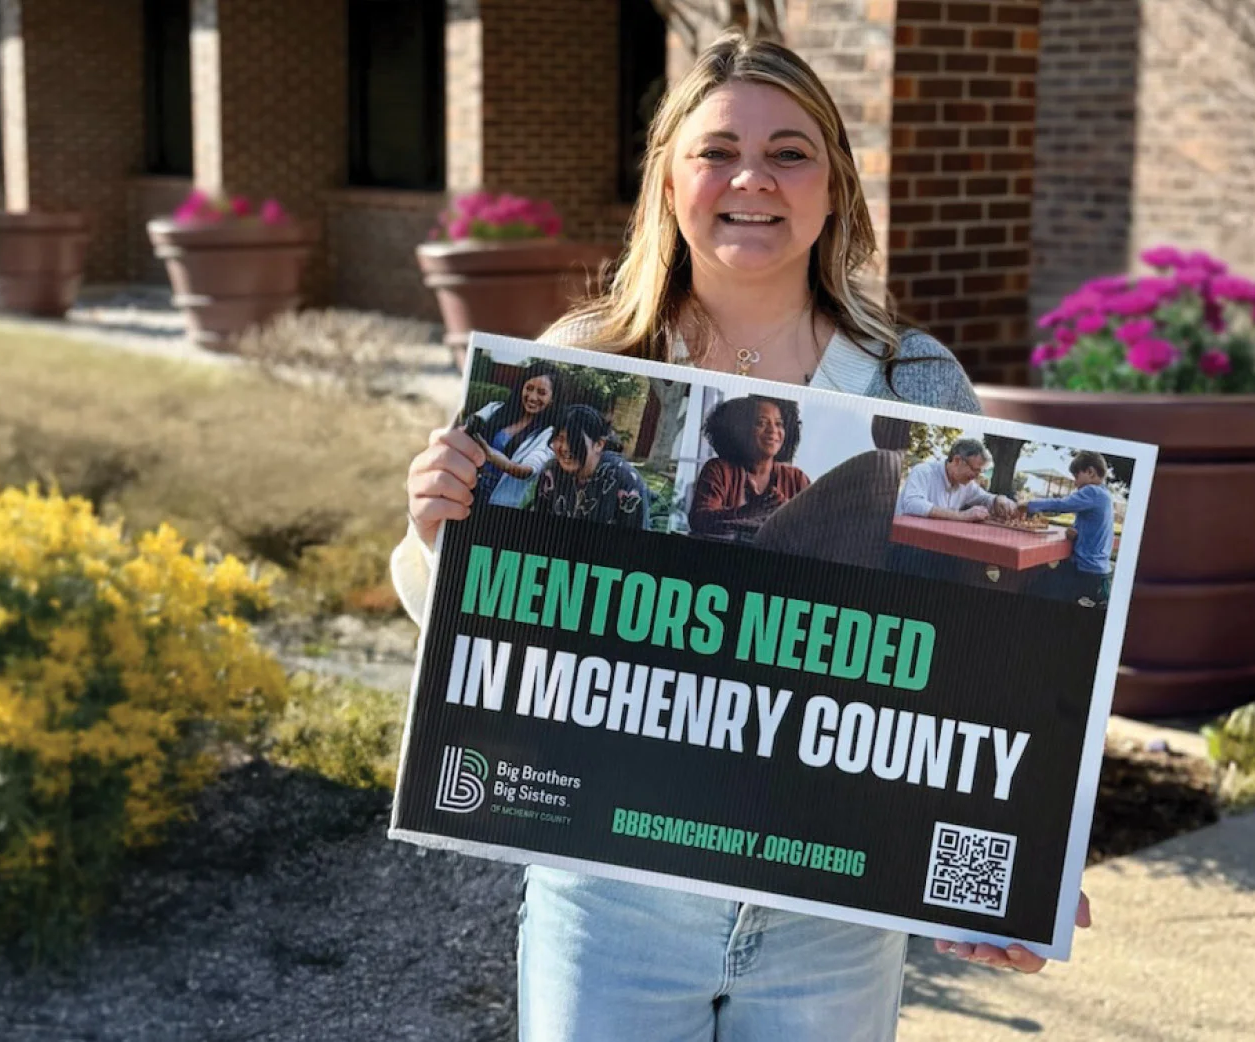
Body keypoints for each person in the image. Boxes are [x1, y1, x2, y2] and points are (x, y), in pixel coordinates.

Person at [394, 32, 1090, 1041]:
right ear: (668, 178)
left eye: (790, 152)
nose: (751, 178)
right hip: (612, 891)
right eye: (716, 150)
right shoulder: (589, 359)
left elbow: (974, 666)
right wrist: (435, 534)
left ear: (834, 187)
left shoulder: (914, 380)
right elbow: (479, 628)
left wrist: (1010, 867)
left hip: (834, 914)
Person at [689, 394, 811, 539]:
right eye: (761, 423)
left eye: (779, 424)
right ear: (742, 429)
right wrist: (750, 512)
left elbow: (817, 527)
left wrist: (787, 512)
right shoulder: (718, 469)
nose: (773, 430)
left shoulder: (796, 479)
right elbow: (699, 519)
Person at [1020, 451, 1117, 606]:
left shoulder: (1092, 491)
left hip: (1086, 569)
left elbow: (1062, 504)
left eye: (1076, 477)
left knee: (1034, 587)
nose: (1075, 483)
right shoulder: (1105, 495)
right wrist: (1076, 532)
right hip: (1100, 571)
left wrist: (1029, 505)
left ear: (1090, 472)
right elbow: (1093, 525)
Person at [464, 361, 566, 509]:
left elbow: (528, 470)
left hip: (496, 501)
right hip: (467, 485)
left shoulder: (549, 435)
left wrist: (492, 455)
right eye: (529, 388)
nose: (532, 397)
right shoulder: (495, 408)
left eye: (541, 393)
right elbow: (467, 428)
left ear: (553, 399)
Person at [532, 404, 651, 529]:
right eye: (560, 439)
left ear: (599, 444)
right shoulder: (550, 473)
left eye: (574, 440)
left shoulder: (626, 481)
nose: (565, 448)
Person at [896, 437, 1017, 522]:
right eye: (975, 470)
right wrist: (961, 516)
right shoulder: (924, 471)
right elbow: (912, 505)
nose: (977, 476)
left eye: (980, 471)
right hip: (907, 543)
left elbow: (985, 498)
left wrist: (999, 498)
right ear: (957, 460)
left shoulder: (966, 484)